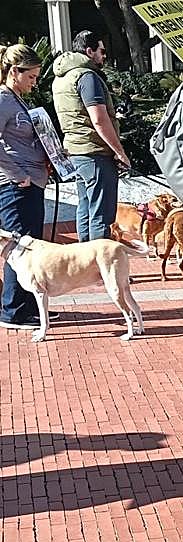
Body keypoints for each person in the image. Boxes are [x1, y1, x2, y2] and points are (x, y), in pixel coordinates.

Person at [52, 30, 130, 241]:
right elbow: (99, 119)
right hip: (95, 153)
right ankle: (101, 269)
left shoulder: (61, 78)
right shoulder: (87, 76)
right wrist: (119, 152)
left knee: (85, 209)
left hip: (76, 151)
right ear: (89, 51)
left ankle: (86, 267)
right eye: (102, 51)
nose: (104, 56)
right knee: (101, 216)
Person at [0, 44, 51, 329]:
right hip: (15, 184)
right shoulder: (3, 100)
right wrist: (17, 173)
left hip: (31, 180)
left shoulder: (17, 99)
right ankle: (13, 310)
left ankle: (31, 306)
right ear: (14, 72)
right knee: (18, 246)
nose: (34, 82)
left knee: (30, 244)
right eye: (30, 76)